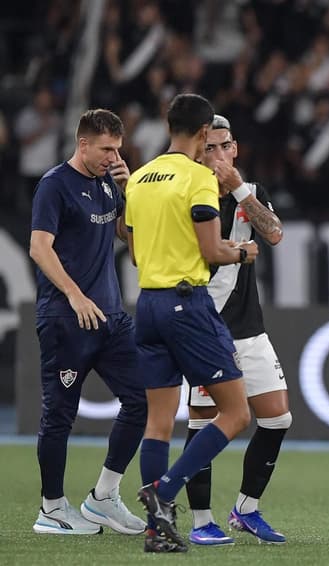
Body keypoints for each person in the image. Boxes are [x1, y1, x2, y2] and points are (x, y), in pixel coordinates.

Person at [125, 94, 258, 553]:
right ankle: (163, 491)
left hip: (147, 304)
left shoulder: (139, 177)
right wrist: (243, 251)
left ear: (168, 125)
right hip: (188, 304)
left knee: (158, 423)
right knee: (237, 412)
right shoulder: (199, 177)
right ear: (204, 134)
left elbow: (136, 252)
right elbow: (212, 250)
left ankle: (154, 531)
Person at [29, 109, 147, 536]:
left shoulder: (106, 184)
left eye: (118, 149)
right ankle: (52, 509)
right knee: (59, 416)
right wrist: (74, 294)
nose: (113, 156)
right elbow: (40, 247)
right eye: (106, 149)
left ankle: (102, 498)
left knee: (143, 399)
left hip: (112, 318)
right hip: (66, 318)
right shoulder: (54, 185)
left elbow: (125, 237)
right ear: (83, 144)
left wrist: (130, 192)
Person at [182, 114, 289, 546]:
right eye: (209, 147)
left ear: (236, 149)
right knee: (205, 424)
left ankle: (245, 509)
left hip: (250, 329)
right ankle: (199, 520)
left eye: (224, 146)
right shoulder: (191, 192)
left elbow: (276, 234)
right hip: (207, 327)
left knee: (278, 419)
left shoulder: (251, 194)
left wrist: (242, 188)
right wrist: (237, 252)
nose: (218, 155)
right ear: (197, 150)